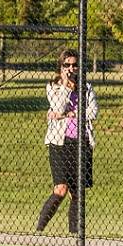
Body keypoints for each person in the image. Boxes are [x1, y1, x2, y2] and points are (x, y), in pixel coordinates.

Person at [35, 49, 98, 236]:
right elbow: (57, 106)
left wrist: (69, 114)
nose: (71, 68)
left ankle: (74, 234)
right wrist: (66, 86)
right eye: (67, 65)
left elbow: (93, 112)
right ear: (60, 66)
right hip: (60, 143)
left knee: (77, 193)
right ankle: (39, 229)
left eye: (74, 65)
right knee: (61, 189)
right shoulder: (53, 86)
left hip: (81, 142)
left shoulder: (86, 87)